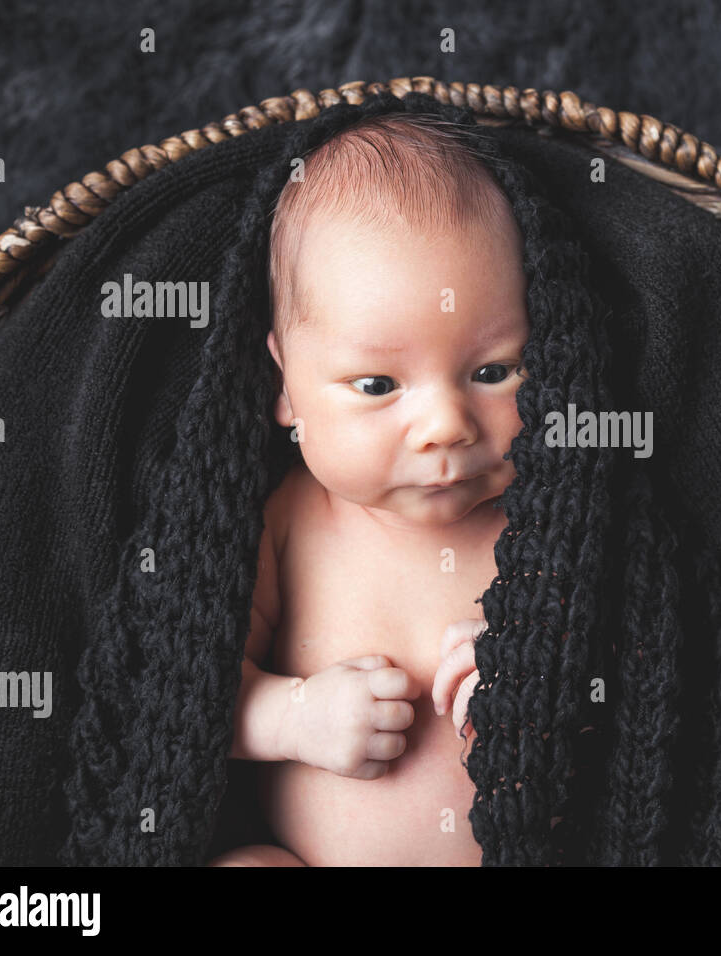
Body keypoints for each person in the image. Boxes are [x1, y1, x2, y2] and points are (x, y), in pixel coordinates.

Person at [209, 112, 527, 866]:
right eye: (379, 384)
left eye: (492, 372)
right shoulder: (287, 521)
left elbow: (643, 683)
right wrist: (294, 718)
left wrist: (539, 682)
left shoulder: (549, 523)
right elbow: (193, 691)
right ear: (286, 385)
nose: (446, 425)